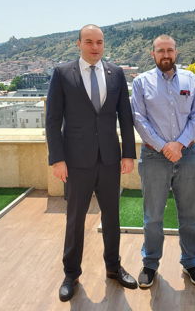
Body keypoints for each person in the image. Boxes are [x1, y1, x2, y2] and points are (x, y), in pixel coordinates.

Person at [46, 24, 138, 302]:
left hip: (110, 160)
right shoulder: (62, 74)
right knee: (74, 220)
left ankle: (113, 267)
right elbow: (52, 120)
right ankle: (71, 274)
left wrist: (128, 154)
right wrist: (58, 159)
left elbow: (125, 116)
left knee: (113, 217)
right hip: (75, 163)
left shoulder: (116, 73)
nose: (95, 47)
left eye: (99, 42)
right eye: (89, 42)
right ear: (78, 44)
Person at [131, 34, 195, 288]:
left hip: (188, 154)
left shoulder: (190, 79)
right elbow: (139, 120)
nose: (166, 55)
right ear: (152, 54)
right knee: (153, 216)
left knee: (189, 215)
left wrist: (179, 145)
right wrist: (165, 147)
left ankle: (191, 262)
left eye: (170, 50)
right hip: (154, 156)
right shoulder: (141, 82)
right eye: (161, 50)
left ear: (176, 52)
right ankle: (150, 264)